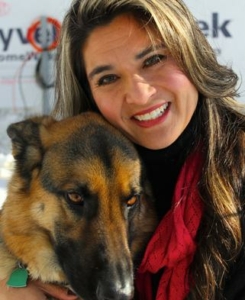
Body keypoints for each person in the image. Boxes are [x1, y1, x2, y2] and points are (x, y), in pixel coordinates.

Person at [1, 0, 245, 299]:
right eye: (108, 78)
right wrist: (11, 284)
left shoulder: (237, 177)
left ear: (192, 54)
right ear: (88, 92)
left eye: (154, 59)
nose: (140, 95)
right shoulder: (76, 157)